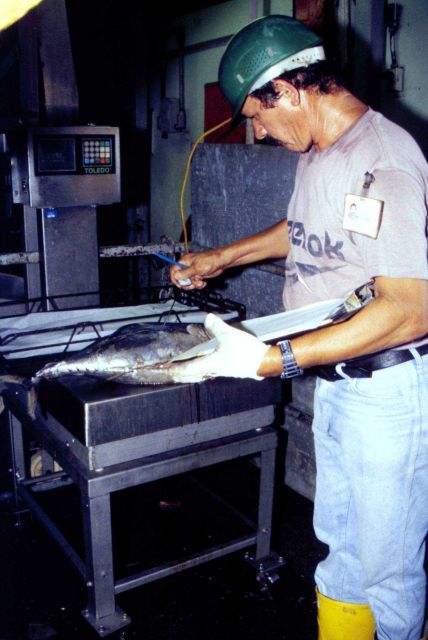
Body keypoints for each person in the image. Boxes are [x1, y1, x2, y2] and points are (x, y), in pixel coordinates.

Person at [167, 14, 428, 640]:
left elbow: (411, 308)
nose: (256, 131)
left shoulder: (382, 159)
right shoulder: (320, 152)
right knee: (340, 550)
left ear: (290, 90)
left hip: (389, 393)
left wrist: (274, 360)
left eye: (257, 114)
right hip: (340, 383)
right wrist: (222, 256)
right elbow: (302, 231)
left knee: (389, 573)